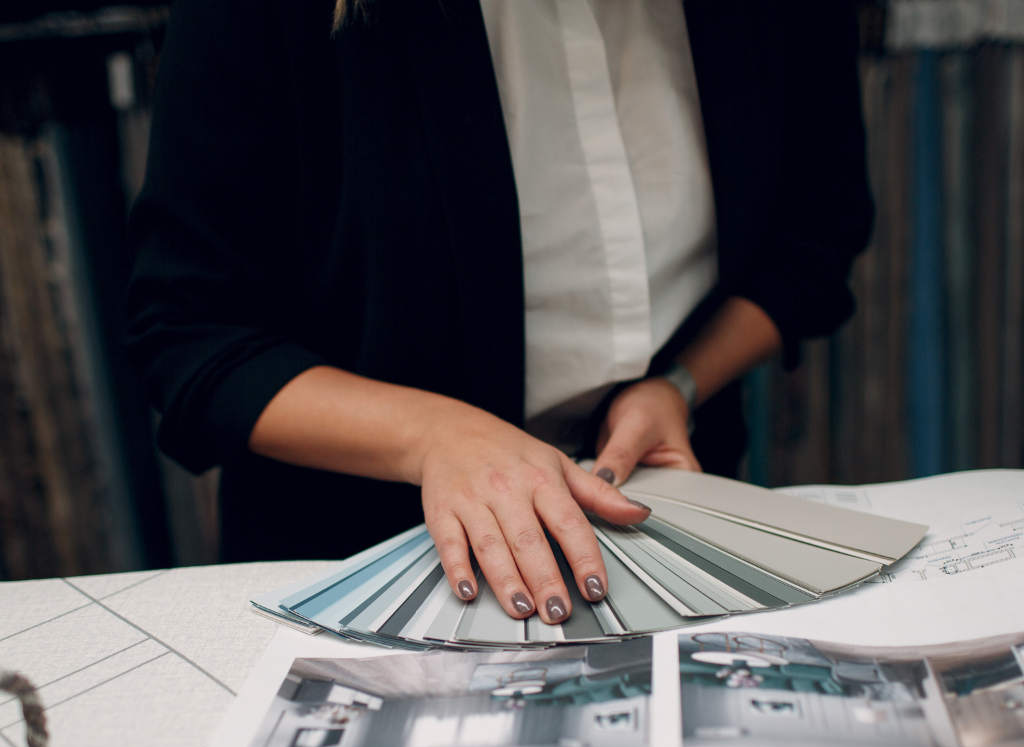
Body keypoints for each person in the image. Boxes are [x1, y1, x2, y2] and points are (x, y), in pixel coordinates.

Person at [126, 0, 873, 627]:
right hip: (361, 563)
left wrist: (679, 383)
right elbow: (190, 334)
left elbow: (816, 230)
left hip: (662, 511)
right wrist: (434, 437)